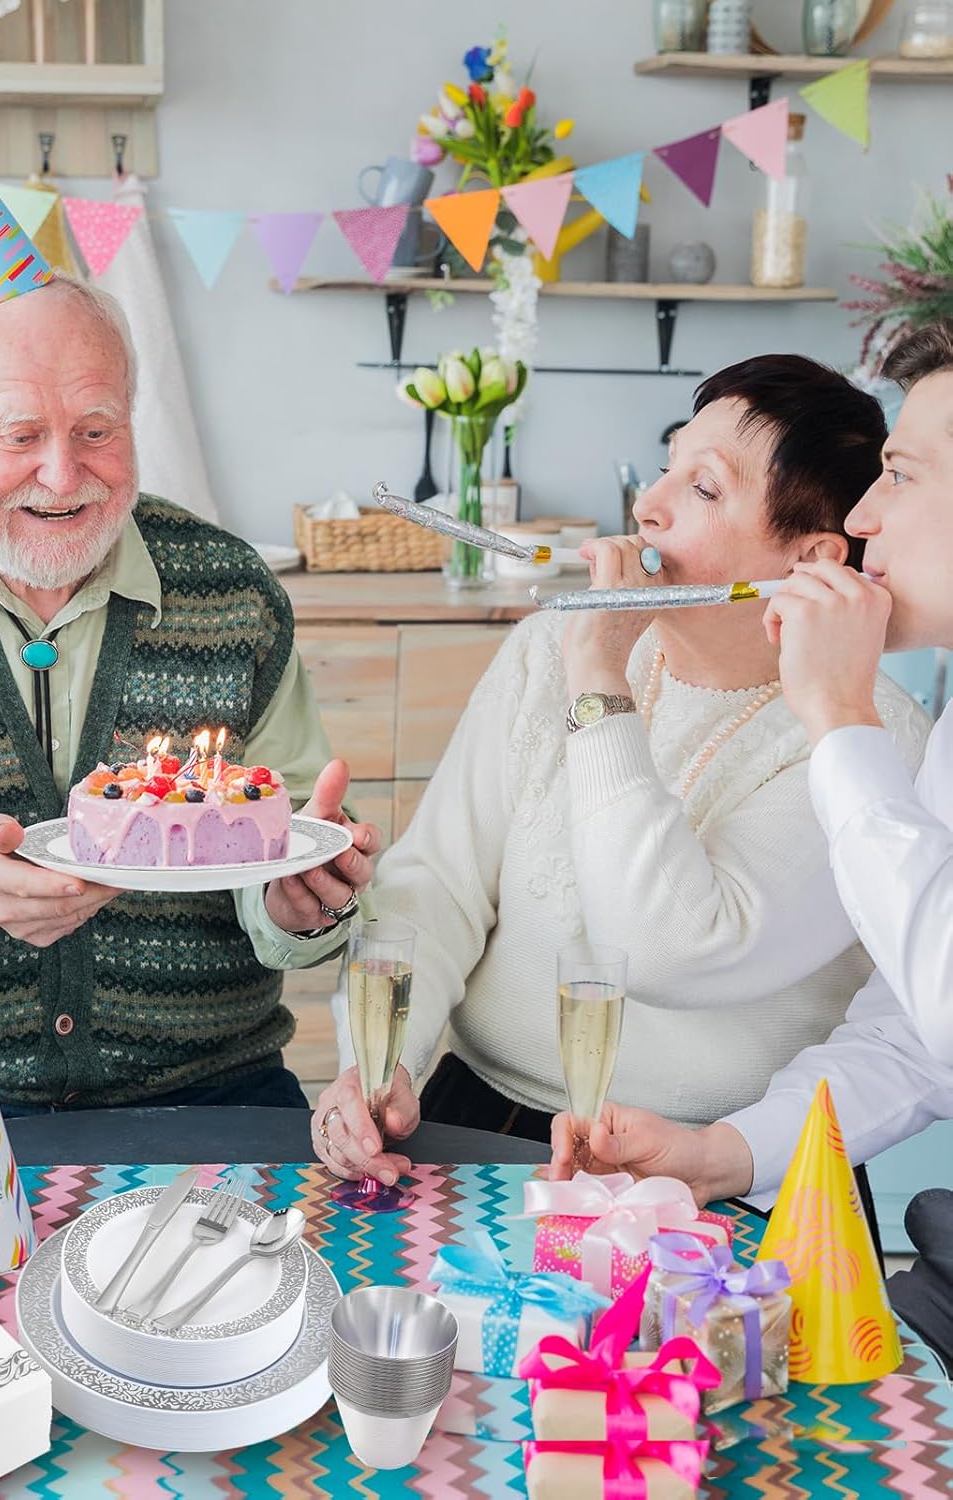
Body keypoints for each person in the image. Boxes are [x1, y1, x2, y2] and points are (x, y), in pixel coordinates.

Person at [0, 272, 378, 1160]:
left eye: (97, 432)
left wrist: (296, 908)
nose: (63, 476)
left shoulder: (233, 593)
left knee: (289, 1285)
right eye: (20, 435)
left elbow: (283, 848)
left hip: (207, 1090)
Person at [312, 354, 930, 1188]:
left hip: (717, 1167)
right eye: (670, 463)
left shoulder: (871, 737)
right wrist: (383, 1064)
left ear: (809, 557)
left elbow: (667, 950)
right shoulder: (547, 648)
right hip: (475, 1113)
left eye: (704, 489)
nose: (649, 504)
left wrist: (599, 685)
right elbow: (437, 884)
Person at [548, 324, 953, 1209]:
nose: (862, 517)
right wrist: (718, 1156)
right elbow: (916, 1041)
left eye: (904, 474)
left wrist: (841, 718)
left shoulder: (874, 726)